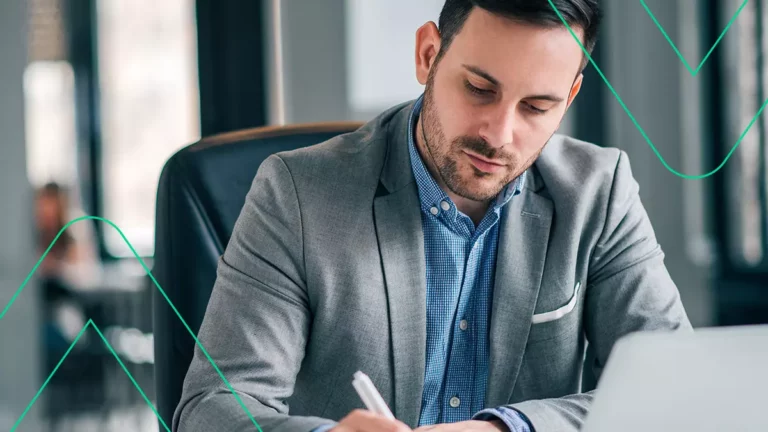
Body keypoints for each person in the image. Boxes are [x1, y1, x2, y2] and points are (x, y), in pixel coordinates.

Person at [173, 0, 692, 431]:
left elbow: (675, 391)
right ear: (428, 55)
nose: (499, 135)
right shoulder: (296, 193)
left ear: (570, 96)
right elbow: (212, 410)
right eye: (480, 89)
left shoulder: (600, 192)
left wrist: (506, 428)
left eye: (536, 107)